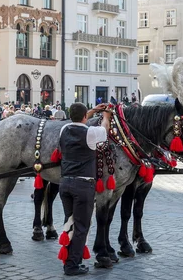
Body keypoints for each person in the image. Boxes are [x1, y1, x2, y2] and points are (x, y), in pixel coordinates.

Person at [59, 102, 111, 276]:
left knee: (70, 222)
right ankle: (72, 265)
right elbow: (104, 129)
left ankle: (70, 260)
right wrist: (106, 116)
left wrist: (93, 110)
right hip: (83, 185)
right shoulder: (91, 133)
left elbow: (78, 118)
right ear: (85, 117)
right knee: (81, 226)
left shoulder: (64, 129)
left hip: (65, 183)